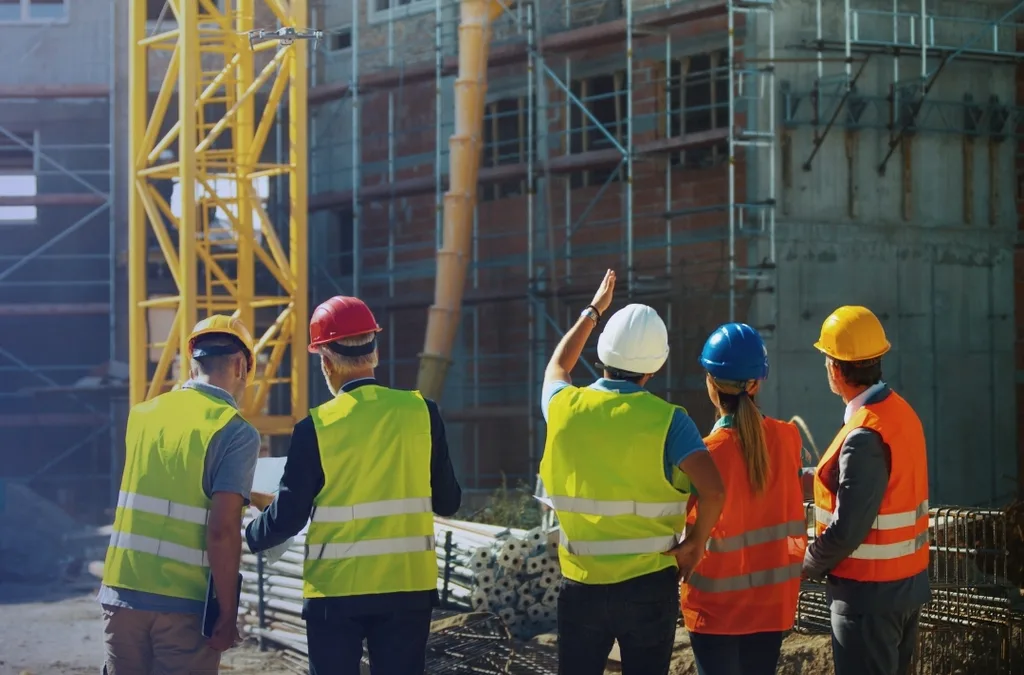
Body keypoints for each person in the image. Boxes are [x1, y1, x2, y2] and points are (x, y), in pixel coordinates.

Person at [245, 295, 462, 675]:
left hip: (336, 595)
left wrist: (251, 533)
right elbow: (448, 501)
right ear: (374, 352)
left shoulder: (315, 428)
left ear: (326, 363)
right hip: (408, 590)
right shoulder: (423, 413)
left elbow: (290, 517)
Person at [538, 269, 726, 675]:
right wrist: (694, 544)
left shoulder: (562, 407)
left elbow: (558, 364)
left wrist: (593, 311)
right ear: (654, 367)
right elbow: (713, 492)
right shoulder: (670, 422)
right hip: (649, 586)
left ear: (603, 355)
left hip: (581, 584)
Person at [100, 315, 262, 674]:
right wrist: (228, 611)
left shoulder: (142, 415)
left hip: (121, 594)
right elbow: (222, 530)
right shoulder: (235, 432)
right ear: (241, 366)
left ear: (192, 364)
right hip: (183, 607)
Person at [803, 305, 930, 675]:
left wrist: (807, 563)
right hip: (902, 589)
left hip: (867, 598)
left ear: (836, 368)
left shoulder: (864, 434)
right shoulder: (899, 412)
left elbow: (849, 528)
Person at [681, 323, 806, 675]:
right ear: (756, 383)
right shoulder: (788, 438)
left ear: (710, 383)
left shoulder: (703, 455)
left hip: (714, 611)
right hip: (771, 606)